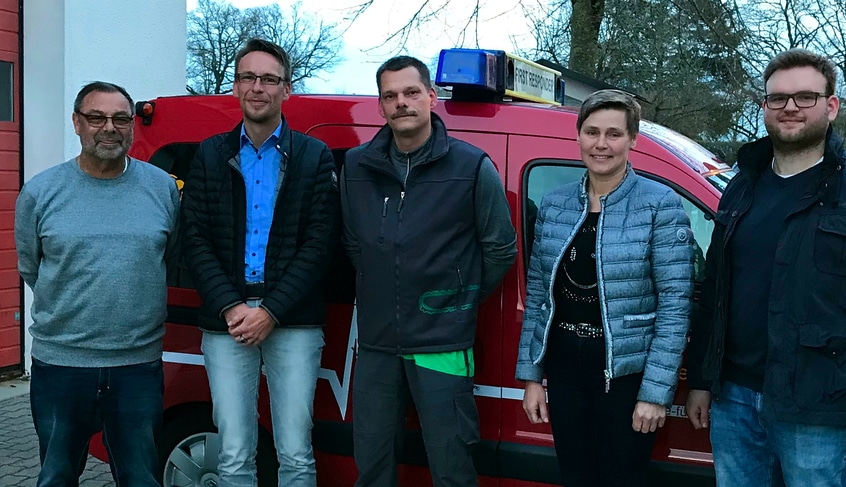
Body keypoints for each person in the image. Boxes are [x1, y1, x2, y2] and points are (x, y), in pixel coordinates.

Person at [685, 49, 846, 487]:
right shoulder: (741, 187)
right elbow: (716, 291)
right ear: (764, 106)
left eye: (805, 97)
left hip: (820, 408)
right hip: (735, 400)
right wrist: (703, 380)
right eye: (778, 98)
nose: (790, 107)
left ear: (831, 106)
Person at [341, 55, 517, 487]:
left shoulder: (472, 167)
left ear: (432, 98)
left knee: (452, 467)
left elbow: (500, 248)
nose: (401, 102)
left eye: (411, 92)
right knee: (372, 465)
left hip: (443, 343)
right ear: (380, 106)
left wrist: (458, 297)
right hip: (377, 345)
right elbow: (353, 243)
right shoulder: (356, 167)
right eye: (390, 96)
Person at [180, 38, 339, 486]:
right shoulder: (210, 153)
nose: (257, 87)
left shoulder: (313, 155)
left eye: (269, 79)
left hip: (293, 319)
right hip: (225, 320)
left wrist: (271, 311)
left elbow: (320, 244)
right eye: (248, 77)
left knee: (296, 452)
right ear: (235, 87)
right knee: (233, 454)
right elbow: (195, 239)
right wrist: (232, 306)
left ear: (287, 89)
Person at [516, 89, 694, 487]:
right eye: (592, 132)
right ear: (578, 135)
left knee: (621, 478)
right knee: (574, 476)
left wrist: (654, 394)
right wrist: (531, 377)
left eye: (614, 134)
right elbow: (540, 294)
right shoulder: (555, 204)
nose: (601, 144)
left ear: (633, 139)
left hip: (625, 373)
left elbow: (675, 306)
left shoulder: (659, 205)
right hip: (564, 366)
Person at [15, 81, 179, 486]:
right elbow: (31, 266)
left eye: (120, 119)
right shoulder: (41, 191)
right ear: (76, 123)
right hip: (61, 365)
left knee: (140, 477)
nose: (109, 128)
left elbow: (168, 257)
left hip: (137, 365)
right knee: (56, 476)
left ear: (131, 126)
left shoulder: (161, 187)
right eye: (96, 118)